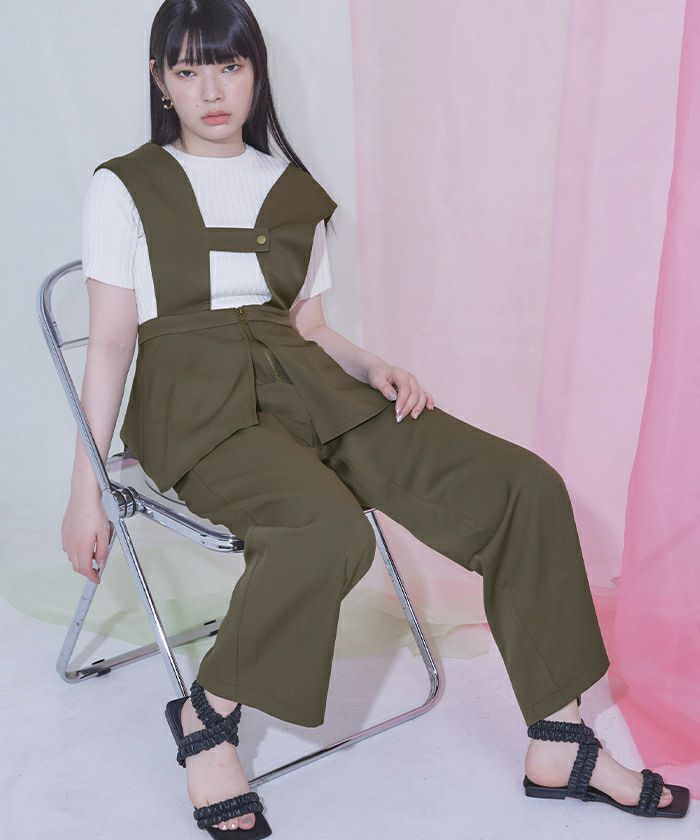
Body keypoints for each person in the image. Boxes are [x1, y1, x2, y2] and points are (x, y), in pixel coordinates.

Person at [61, 0, 688, 833]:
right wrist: (86, 492)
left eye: (230, 66)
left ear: (256, 73)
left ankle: (560, 739)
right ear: (160, 81)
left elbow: (309, 328)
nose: (211, 90)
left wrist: (373, 366)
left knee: (523, 487)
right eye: (187, 70)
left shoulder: (291, 191)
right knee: (326, 531)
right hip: (196, 408)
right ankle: (207, 714)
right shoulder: (124, 186)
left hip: (310, 385)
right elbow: (110, 343)